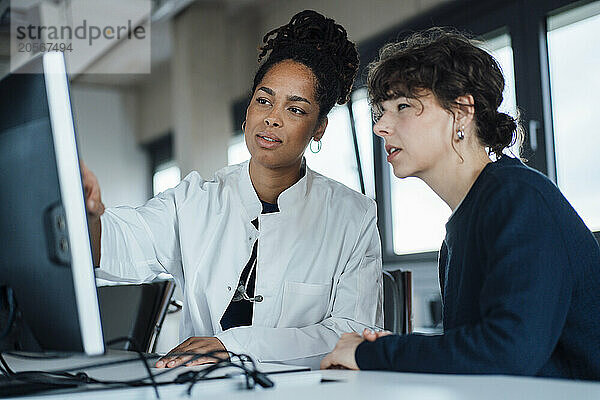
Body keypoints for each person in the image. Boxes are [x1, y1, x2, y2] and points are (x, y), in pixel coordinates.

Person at [83, 10, 383, 370]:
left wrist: (233, 345)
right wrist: (87, 213)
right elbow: (119, 243)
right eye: (264, 100)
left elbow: (351, 333)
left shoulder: (354, 216)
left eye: (296, 109)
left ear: (319, 128)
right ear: (249, 107)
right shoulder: (195, 200)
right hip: (200, 387)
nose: (272, 117)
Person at [321, 27, 600, 380]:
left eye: (403, 106)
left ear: (462, 111)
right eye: (380, 112)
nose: (381, 127)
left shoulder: (519, 196)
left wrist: (375, 352)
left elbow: (509, 352)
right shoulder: (459, 231)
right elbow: (475, 352)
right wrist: (389, 349)